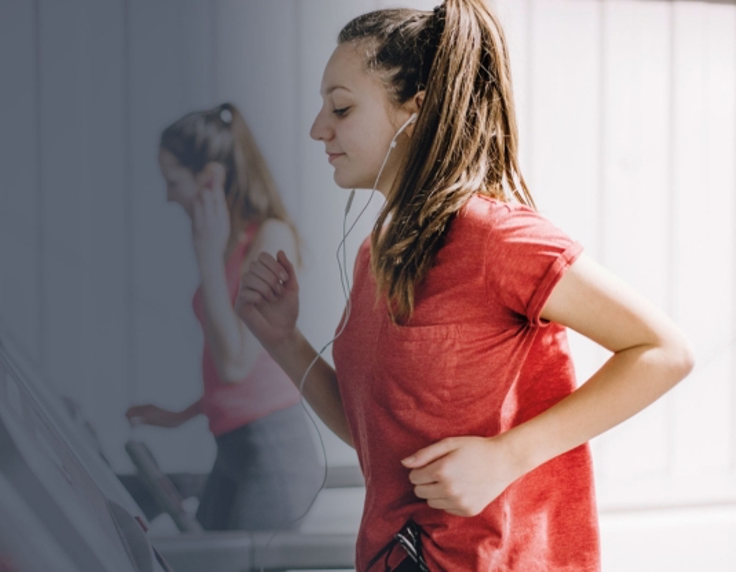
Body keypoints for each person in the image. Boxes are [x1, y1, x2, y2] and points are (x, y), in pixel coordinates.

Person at [235, 2, 694, 571]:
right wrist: (283, 339)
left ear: (417, 112)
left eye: (342, 108)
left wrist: (505, 457)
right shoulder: (377, 253)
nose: (317, 128)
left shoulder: (495, 237)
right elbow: (376, 439)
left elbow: (664, 351)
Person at [126, 104, 321, 531]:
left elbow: (236, 364)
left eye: (174, 182)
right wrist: (181, 414)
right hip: (233, 447)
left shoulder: (270, 236)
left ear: (210, 177)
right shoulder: (229, 244)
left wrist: (209, 259)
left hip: (272, 454)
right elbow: (236, 366)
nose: (168, 196)